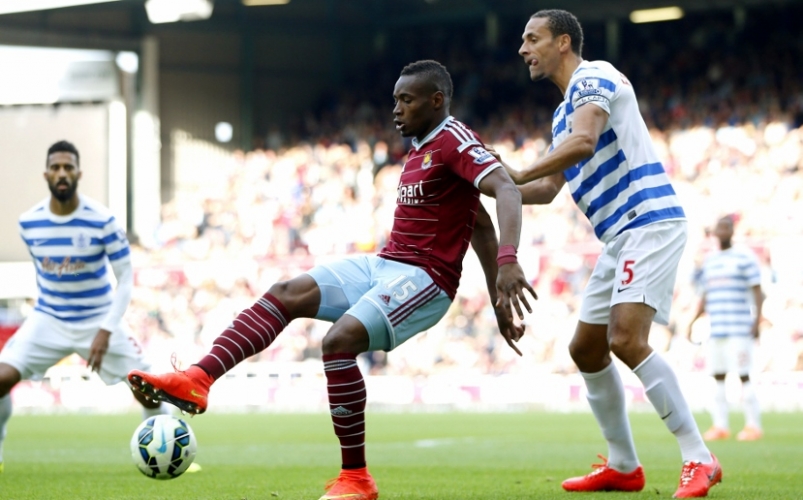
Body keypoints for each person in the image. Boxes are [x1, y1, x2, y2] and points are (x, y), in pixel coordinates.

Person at [128, 60, 535, 500]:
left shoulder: (454, 139)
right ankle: (199, 378)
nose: (396, 109)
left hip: (426, 278)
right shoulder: (421, 147)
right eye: (395, 100)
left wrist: (508, 262)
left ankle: (356, 478)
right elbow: (479, 226)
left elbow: (507, 190)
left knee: (339, 341)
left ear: (436, 101)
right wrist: (498, 300)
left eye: (407, 100)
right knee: (286, 293)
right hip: (387, 264)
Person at [493, 10, 720, 498]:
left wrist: (518, 171)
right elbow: (547, 189)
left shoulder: (594, 75)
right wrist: (487, 187)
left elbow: (585, 141)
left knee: (625, 339)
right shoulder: (562, 115)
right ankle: (623, 465)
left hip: (648, 221)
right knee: (586, 348)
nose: (523, 49)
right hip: (619, 237)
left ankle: (700, 457)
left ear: (564, 42)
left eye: (532, 38)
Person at [0, 140, 173, 473]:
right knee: (1, 377)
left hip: (99, 319)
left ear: (79, 173)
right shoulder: (29, 223)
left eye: (68, 167)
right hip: (48, 318)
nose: (62, 173)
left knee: (147, 389)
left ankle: (167, 455)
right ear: (46, 174)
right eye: (55, 167)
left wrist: (106, 329)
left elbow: (126, 279)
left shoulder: (102, 220)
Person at [688, 215, 764, 442]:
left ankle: (753, 425)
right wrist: (693, 321)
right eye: (719, 228)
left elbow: (757, 291)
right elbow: (705, 294)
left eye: (726, 227)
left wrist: (757, 321)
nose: (722, 231)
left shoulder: (744, 257)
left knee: (744, 375)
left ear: (732, 231)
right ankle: (720, 425)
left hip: (739, 328)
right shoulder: (710, 261)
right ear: (714, 232)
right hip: (717, 329)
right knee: (718, 377)